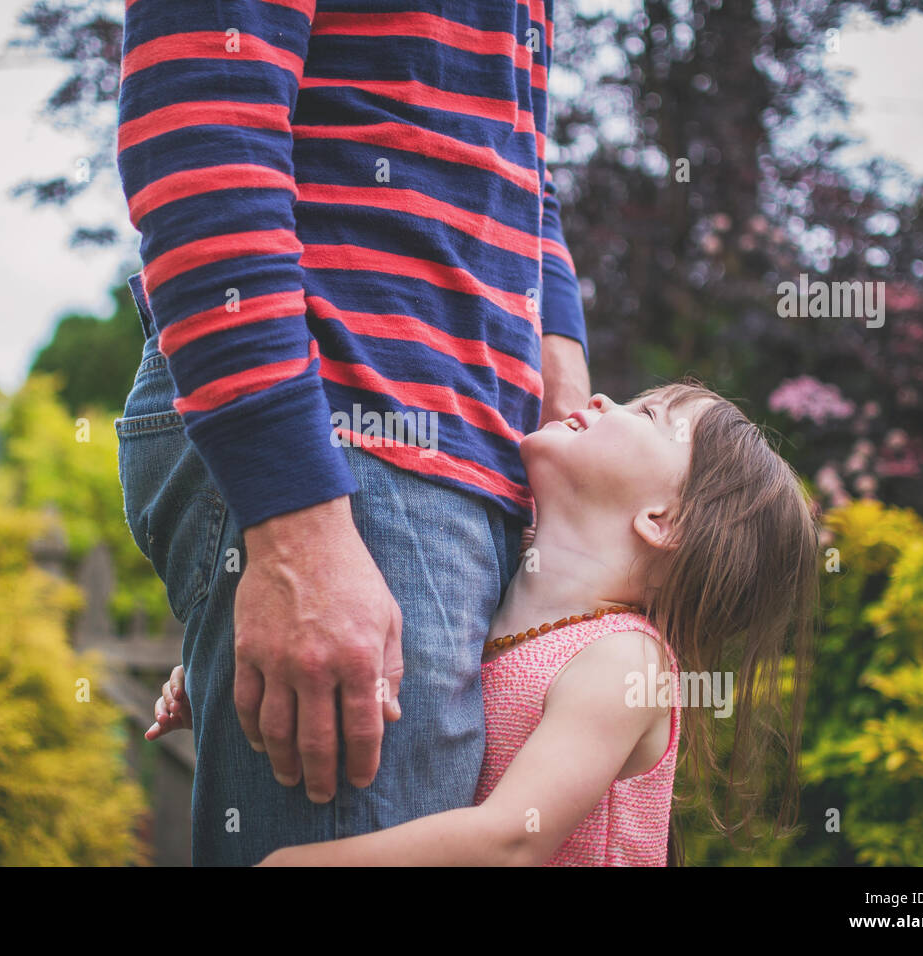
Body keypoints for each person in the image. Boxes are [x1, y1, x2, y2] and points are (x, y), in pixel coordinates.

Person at [116, 0, 591, 865]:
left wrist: (558, 361)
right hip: (345, 426)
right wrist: (297, 525)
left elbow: (517, 153)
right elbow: (204, 104)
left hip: (459, 453)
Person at [150, 383, 821, 865]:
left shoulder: (625, 659)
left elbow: (513, 839)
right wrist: (218, 678)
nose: (599, 400)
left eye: (645, 413)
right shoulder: (493, 600)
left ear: (662, 521)